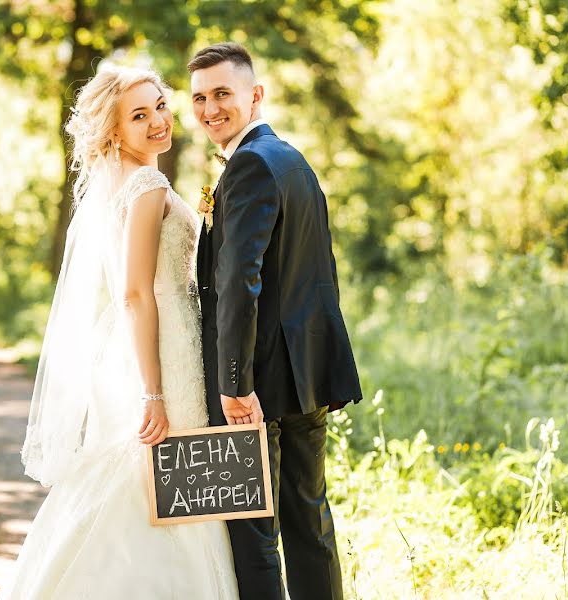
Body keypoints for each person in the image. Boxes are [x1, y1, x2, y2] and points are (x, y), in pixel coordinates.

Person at [0, 65, 238, 599]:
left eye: (158, 105)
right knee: (165, 470)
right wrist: (153, 391)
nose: (157, 121)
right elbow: (133, 292)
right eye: (138, 114)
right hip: (163, 347)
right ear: (113, 132)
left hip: (141, 346)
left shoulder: (124, 184)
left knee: (146, 472)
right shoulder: (147, 184)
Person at [189, 42, 363, 600]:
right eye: (198, 98)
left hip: (257, 386)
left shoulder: (249, 166)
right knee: (309, 522)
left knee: (252, 530)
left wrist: (234, 385)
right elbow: (316, 272)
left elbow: (241, 283)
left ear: (255, 95)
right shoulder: (292, 160)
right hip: (303, 374)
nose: (210, 108)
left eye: (223, 94)